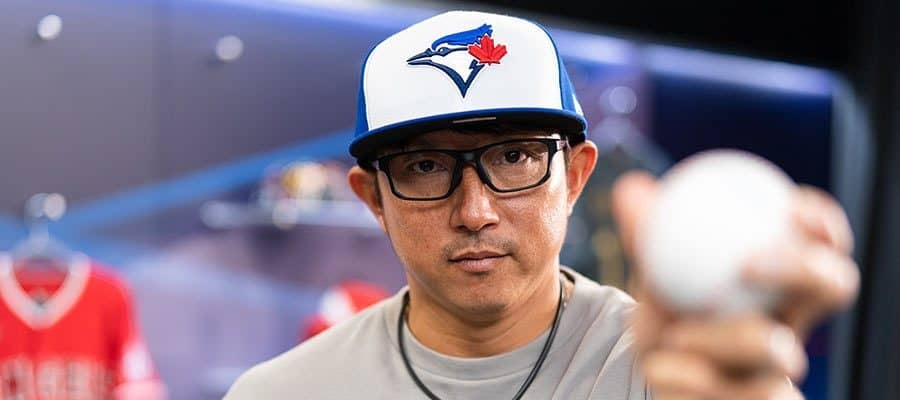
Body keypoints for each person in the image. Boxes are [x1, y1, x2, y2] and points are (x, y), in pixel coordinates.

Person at [224, 10, 859, 400]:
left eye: (514, 157)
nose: (475, 211)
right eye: (425, 167)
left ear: (575, 177)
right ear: (373, 199)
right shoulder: (282, 394)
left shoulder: (673, 371)